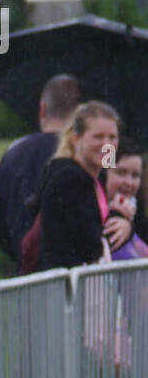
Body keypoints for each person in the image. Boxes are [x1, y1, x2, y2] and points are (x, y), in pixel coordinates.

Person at [0, 74, 83, 264]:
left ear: (42, 108)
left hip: (27, 278)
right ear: (80, 114)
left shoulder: (14, 153)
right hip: (81, 278)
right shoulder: (88, 154)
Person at [35, 102, 127, 271]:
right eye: (98, 137)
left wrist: (125, 224)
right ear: (76, 139)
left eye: (112, 137)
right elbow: (90, 247)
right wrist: (121, 216)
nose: (107, 145)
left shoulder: (99, 178)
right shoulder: (70, 179)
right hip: (67, 288)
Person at [103, 138, 148, 260]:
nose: (129, 182)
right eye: (121, 173)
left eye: (135, 175)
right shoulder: (93, 210)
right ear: (104, 172)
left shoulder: (139, 218)